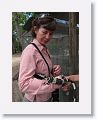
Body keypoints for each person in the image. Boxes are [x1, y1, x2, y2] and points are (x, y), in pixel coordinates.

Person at [18, 13, 62, 102]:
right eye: (44, 32)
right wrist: (54, 83)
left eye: (51, 33)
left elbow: (40, 71)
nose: (48, 37)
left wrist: (52, 70)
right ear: (35, 30)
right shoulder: (30, 51)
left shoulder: (44, 48)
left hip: (47, 97)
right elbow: (24, 84)